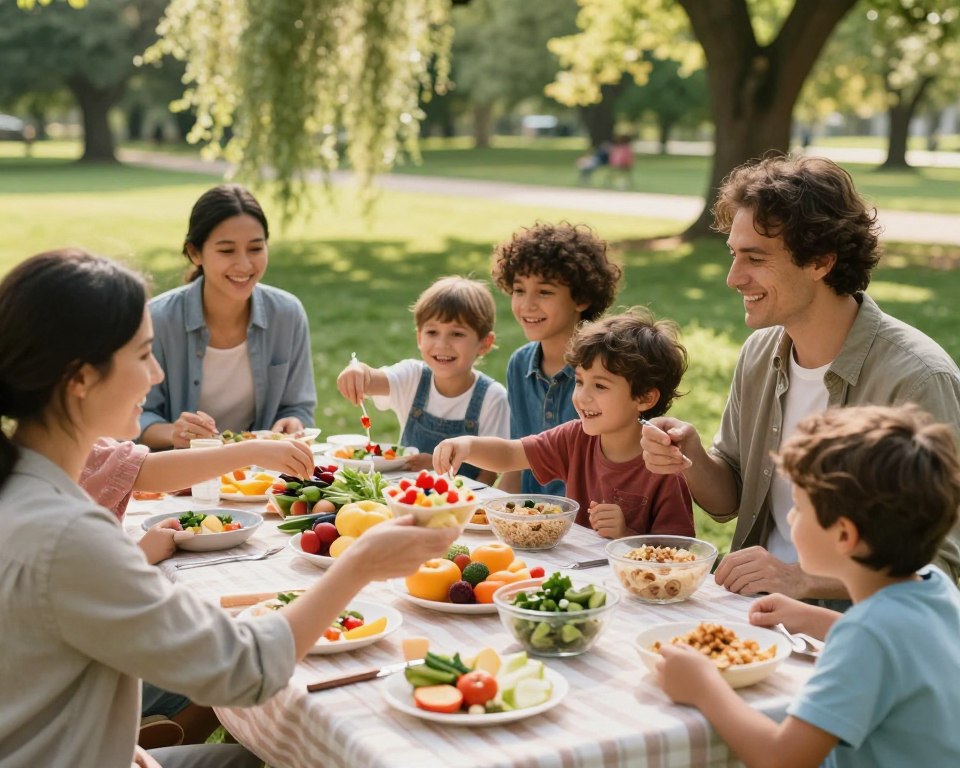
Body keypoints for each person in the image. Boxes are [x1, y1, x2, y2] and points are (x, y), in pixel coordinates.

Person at [0, 249, 457, 768]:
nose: (154, 375)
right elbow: (245, 668)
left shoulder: (23, 487)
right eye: (143, 354)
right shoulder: (69, 536)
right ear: (78, 378)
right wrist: (361, 565)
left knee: (250, 754)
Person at [640, 155, 960, 600]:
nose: (734, 278)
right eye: (735, 254)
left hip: (850, 633)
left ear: (820, 261)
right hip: (751, 613)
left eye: (755, 258)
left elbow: (940, 569)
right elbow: (729, 501)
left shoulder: (918, 379)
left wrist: (801, 580)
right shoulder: (760, 353)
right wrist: (691, 455)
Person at [656, 405, 960, 768]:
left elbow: (782, 758)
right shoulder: (933, 583)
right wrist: (814, 619)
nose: (789, 517)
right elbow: (904, 644)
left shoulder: (866, 637)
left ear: (845, 534)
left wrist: (704, 687)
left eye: (798, 508)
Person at [434, 309, 694, 539]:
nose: (582, 396)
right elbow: (511, 454)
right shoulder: (575, 437)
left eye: (600, 385)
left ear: (645, 397)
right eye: (579, 381)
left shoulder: (664, 465)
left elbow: (680, 553)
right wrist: (466, 445)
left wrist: (626, 535)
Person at [140, 184, 316, 450]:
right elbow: (135, 416)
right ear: (195, 253)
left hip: (258, 477)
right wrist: (173, 432)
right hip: (177, 477)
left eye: (256, 248)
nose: (245, 265)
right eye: (226, 251)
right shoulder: (157, 319)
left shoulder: (287, 315)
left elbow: (298, 407)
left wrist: (292, 422)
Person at [336, 275, 508, 485]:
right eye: (432, 332)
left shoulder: (493, 398)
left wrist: (437, 469)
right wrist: (358, 371)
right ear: (419, 337)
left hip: (461, 506)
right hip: (402, 497)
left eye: (457, 334)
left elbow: (488, 475)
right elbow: (373, 379)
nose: (442, 344)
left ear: (484, 343)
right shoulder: (413, 377)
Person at [491, 222, 622, 496]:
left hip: (591, 525)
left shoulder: (605, 371)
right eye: (519, 290)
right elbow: (516, 463)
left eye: (545, 291)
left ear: (582, 298)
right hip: (529, 520)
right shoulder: (519, 364)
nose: (527, 305)